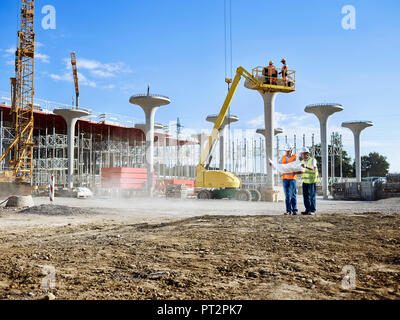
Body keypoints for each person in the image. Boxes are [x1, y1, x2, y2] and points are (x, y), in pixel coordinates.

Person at [299, 147, 320, 215]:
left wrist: (305, 166)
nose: (301, 155)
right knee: (305, 196)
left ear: (306, 154)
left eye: (302, 154)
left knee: (312, 196)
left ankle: (312, 210)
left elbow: (312, 168)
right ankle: (307, 210)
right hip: (305, 182)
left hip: (311, 181)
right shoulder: (302, 162)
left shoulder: (312, 160)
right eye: (301, 154)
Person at [280, 144, 298, 215]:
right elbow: (279, 166)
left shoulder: (295, 157)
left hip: (292, 179)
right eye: (286, 151)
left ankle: (294, 210)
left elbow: (296, 166)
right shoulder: (282, 158)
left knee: (293, 195)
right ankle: (288, 210)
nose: (287, 152)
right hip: (285, 179)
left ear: (291, 150)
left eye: (288, 151)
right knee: (287, 195)